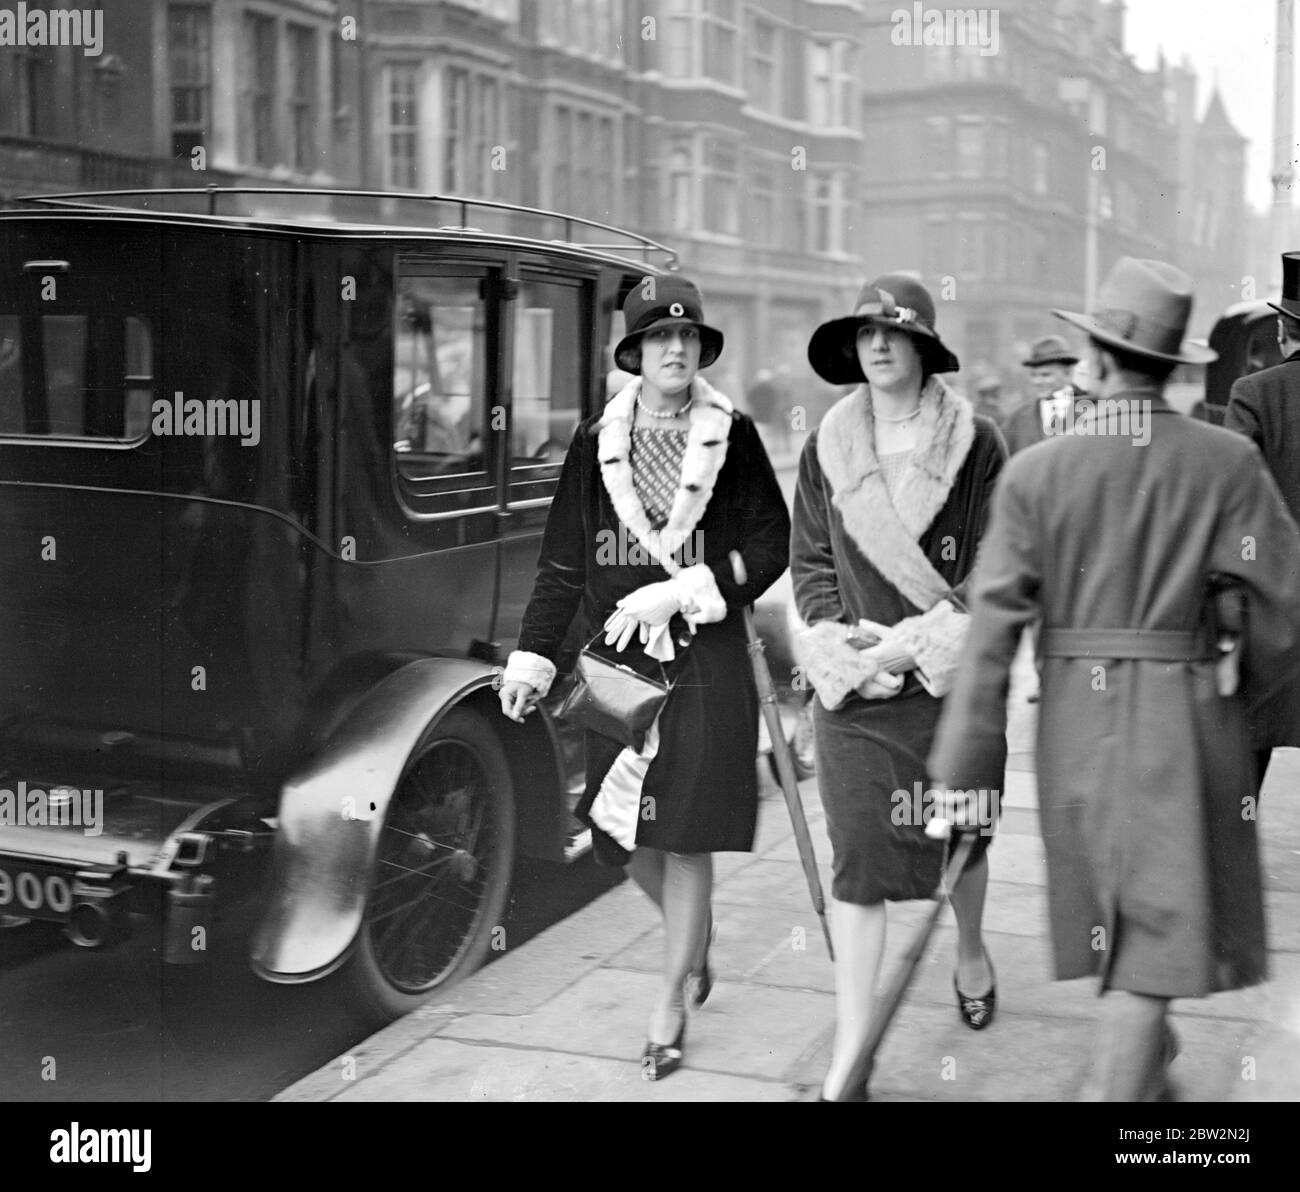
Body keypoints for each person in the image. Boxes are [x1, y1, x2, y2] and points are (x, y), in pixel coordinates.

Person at [930, 257, 1300, 1101]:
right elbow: (1286, 603)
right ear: (1173, 369)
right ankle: (1124, 1090)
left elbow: (989, 636)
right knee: (1152, 935)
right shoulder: (1224, 462)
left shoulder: (1037, 474)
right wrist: (1238, 673)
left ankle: (1144, 1071)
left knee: (1124, 923)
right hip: (1186, 720)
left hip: (1072, 726)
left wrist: (964, 774)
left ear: (1095, 364)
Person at [498, 275, 790, 1080]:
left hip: (705, 660)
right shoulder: (598, 439)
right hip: (616, 665)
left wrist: (687, 589)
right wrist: (532, 657)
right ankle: (692, 935)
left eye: (688, 338)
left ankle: (668, 1003)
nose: (675, 350)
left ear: (700, 350)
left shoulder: (732, 434)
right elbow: (561, 563)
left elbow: (771, 545)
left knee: (686, 837)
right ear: (634, 352)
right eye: (659, 339)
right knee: (618, 837)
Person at [791, 273, 1008, 1102]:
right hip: (856, 694)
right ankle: (852, 1050)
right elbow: (810, 563)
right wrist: (839, 643)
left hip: (945, 686)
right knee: (860, 861)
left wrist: (918, 644)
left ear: (924, 346)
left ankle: (972, 947)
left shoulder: (979, 442)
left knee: (964, 835)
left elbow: (997, 564)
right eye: (864, 333)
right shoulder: (826, 443)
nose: (877, 345)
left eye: (894, 331)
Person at [1224, 250, 1300, 787]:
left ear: (1282, 330)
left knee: (1242, 765)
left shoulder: (1254, 394)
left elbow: (1230, 504)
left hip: (1272, 612)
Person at [1000, 334, 1089, 455]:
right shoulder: (1017, 419)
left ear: (1067, 374)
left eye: (1046, 375)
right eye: (1034, 375)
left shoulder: (1094, 410)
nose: (1037, 382)